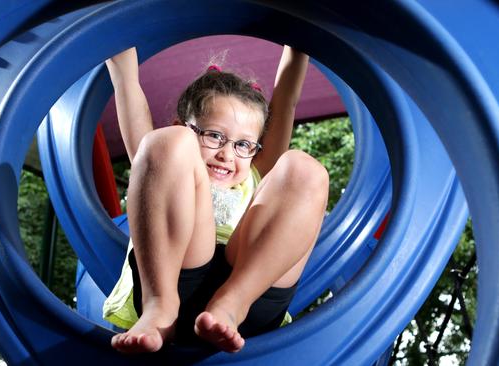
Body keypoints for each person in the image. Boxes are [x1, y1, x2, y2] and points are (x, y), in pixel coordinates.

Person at [102, 45, 329, 354]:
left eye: (244, 145)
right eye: (214, 136)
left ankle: (231, 303)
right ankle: (159, 306)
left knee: (305, 170)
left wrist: (301, 42)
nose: (226, 154)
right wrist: (118, 48)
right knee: (162, 145)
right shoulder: (169, 166)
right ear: (184, 126)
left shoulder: (257, 176)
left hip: (251, 292)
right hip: (176, 280)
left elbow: (286, 101)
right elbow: (126, 84)